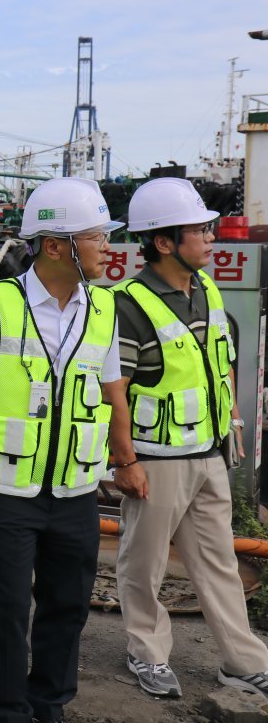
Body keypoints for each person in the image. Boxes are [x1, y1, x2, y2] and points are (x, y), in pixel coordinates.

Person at [0, 176, 134, 723]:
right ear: (55, 245)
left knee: (67, 604)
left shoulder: (103, 309)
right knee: (3, 607)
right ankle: (7, 708)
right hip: (6, 486)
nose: (107, 247)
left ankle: (49, 704)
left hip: (75, 487)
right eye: (97, 236)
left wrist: (124, 457)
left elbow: (107, 384)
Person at [111, 177, 268, 700]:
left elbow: (214, 369)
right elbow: (115, 391)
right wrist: (125, 460)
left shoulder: (207, 288)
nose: (211, 238)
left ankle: (242, 661)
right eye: (200, 229)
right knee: (144, 561)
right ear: (162, 241)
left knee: (219, 559)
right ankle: (147, 655)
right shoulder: (129, 304)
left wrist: (233, 426)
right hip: (156, 461)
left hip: (209, 454)